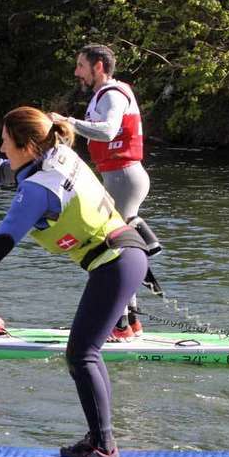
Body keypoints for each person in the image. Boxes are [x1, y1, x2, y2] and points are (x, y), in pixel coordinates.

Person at [0, 107, 149, 457]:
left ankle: (105, 452)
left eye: (5, 140)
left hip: (117, 262)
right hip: (124, 256)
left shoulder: (38, 190)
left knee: (82, 355)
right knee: (84, 353)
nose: (0, 145)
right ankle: (98, 440)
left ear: (26, 145)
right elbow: (4, 170)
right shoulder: (56, 153)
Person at [49, 43, 150, 342]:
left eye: (81, 65)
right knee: (118, 249)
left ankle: (120, 326)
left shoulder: (113, 95)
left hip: (124, 176)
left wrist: (68, 122)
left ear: (99, 67)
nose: (76, 72)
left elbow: (107, 131)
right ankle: (129, 325)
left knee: (113, 251)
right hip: (119, 177)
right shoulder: (102, 96)